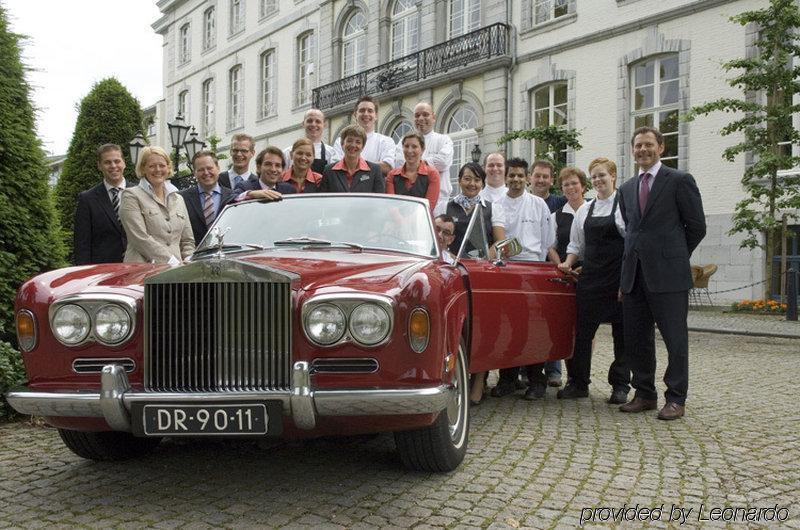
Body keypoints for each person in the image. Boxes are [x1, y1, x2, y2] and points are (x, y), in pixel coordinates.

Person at [617, 126, 706, 420]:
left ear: (661, 148)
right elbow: (632, 229)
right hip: (634, 276)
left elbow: (696, 227)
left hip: (669, 275)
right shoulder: (626, 188)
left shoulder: (679, 180)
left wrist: (674, 256)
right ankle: (644, 394)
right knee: (637, 339)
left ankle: (676, 398)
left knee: (674, 339)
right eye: (638, 145)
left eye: (648, 145)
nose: (642, 150)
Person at [556, 158, 631, 405]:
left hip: (618, 279)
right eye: (595, 177)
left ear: (613, 176)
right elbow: (576, 244)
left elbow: (631, 245)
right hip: (591, 279)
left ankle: (620, 385)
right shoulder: (585, 210)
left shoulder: (624, 207)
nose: (598, 180)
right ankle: (578, 383)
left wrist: (626, 281)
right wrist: (568, 262)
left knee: (623, 335)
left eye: (602, 175)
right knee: (582, 334)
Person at [491, 158, 555, 401]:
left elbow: (547, 241)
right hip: (508, 270)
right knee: (510, 325)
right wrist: (511, 254)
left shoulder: (539, 205)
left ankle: (537, 380)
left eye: (520, 175)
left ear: (527, 177)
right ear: (505, 178)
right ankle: (508, 379)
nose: (516, 179)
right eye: (511, 175)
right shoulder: (498, 204)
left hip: (534, 270)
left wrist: (534, 263)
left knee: (534, 327)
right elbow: (501, 240)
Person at [119, 146, 194, 264]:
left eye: (162, 165)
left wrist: (189, 259)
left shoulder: (178, 199)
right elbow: (139, 238)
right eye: (152, 166)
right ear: (143, 168)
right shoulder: (130, 195)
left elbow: (187, 240)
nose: (158, 169)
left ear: (168, 168)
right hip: (142, 270)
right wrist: (172, 262)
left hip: (177, 272)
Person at [531, 158, 567, 386]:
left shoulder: (560, 202)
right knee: (532, 320)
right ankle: (529, 369)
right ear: (530, 178)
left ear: (551, 180)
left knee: (553, 320)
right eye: (538, 175)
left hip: (555, 268)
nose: (541, 180)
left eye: (545, 176)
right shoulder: (524, 201)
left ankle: (554, 369)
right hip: (533, 269)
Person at [394, 102, 454, 215]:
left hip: (439, 204)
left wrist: (415, 162)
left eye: (425, 114)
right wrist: (429, 161)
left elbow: (443, 162)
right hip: (409, 202)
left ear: (433, 117)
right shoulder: (403, 140)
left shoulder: (443, 139)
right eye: (417, 115)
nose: (421, 118)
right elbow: (399, 163)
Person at [73, 144, 128, 265]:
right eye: (107, 162)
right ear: (99, 166)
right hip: (102, 269)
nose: (113, 166)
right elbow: (82, 243)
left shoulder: (139, 193)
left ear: (124, 163)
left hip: (136, 266)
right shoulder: (87, 199)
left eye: (117, 161)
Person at [445, 162, 505, 256]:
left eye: (477, 180)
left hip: (482, 266)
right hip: (453, 265)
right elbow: (439, 239)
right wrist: (452, 259)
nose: (472, 184)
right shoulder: (445, 207)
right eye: (467, 179)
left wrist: (485, 260)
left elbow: (500, 241)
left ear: (482, 184)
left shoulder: (494, 209)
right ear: (459, 180)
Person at [179, 151, 235, 244]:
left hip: (227, 252)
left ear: (218, 168)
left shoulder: (232, 197)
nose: (206, 173)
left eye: (209, 168)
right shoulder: (182, 198)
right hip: (195, 255)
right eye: (201, 170)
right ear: (194, 173)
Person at [313, 125, 385, 193]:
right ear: (342, 143)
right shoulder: (329, 171)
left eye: (358, 142)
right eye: (349, 140)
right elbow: (324, 201)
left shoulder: (375, 170)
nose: (353, 145)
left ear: (362, 146)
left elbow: (380, 201)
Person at [333, 96, 395, 175]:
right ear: (355, 114)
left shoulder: (386, 141)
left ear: (376, 115)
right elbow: (336, 166)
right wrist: (374, 166)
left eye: (370, 111)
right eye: (362, 110)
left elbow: (387, 167)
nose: (366, 114)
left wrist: (351, 164)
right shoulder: (341, 141)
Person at [385, 132, 440, 212]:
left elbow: (429, 206)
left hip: (421, 222)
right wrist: (401, 222)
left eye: (414, 147)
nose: (409, 151)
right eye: (406, 146)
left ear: (422, 149)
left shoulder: (432, 174)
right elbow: (391, 206)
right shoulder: (392, 175)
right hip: (395, 222)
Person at [547, 167, 590, 266]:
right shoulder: (555, 217)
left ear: (583, 186)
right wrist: (562, 268)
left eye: (574, 183)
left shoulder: (593, 211)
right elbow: (551, 247)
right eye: (566, 185)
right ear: (562, 189)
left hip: (592, 270)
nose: (570, 187)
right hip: (565, 272)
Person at [283, 108, 339, 173]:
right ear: (303, 124)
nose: (313, 124)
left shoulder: (331, 153)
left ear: (324, 125)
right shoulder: (287, 153)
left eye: (318, 121)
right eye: (309, 121)